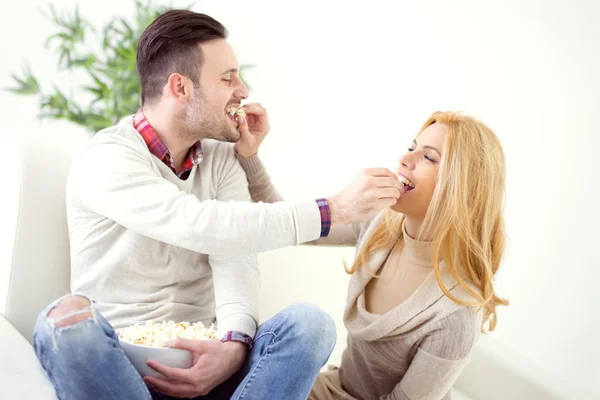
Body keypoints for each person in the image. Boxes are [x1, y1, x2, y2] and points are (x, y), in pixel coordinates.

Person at [31, 10, 406, 400]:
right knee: (62, 322)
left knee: (311, 325)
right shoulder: (107, 157)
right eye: (228, 78)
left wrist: (233, 345)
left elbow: (235, 253)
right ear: (180, 88)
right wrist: (334, 209)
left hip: (206, 363)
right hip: (123, 365)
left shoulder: (223, 158)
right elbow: (199, 223)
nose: (242, 90)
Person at [236, 110, 509, 400]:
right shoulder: (379, 226)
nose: (405, 160)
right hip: (333, 388)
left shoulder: (456, 315)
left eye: (428, 157)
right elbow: (299, 226)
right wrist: (250, 156)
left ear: (462, 187)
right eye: (411, 148)